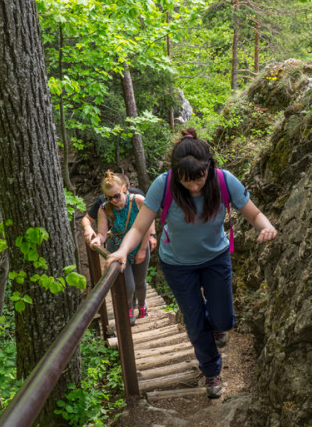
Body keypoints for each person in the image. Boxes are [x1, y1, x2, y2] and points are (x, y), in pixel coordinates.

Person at [106, 129, 277, 398]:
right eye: (187, 182)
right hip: (177, 264)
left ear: (208, 168)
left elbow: (254, 214)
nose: (195, 187)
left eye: (199, 180)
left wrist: (265, 226)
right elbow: (139, 228)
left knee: (223, 319)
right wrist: (122, 252)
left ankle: (216, 324)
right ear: (176, 175)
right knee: (195, 323)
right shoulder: (164, 185)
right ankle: (211, 372)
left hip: (215, 258)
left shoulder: (223, 180)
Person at [90, 171, 153, 325]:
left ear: (124, 189)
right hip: (117, 249)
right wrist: (97, 239)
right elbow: (103, 234)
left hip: (139, 246)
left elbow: (146, 227)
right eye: (109, 198)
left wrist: (143, 250)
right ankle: (129, 308)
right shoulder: (104, 209)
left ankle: (142, 304)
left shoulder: (138, 201)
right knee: (128, 285)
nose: (114, 201)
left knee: (140, 282)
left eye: (116, 196)